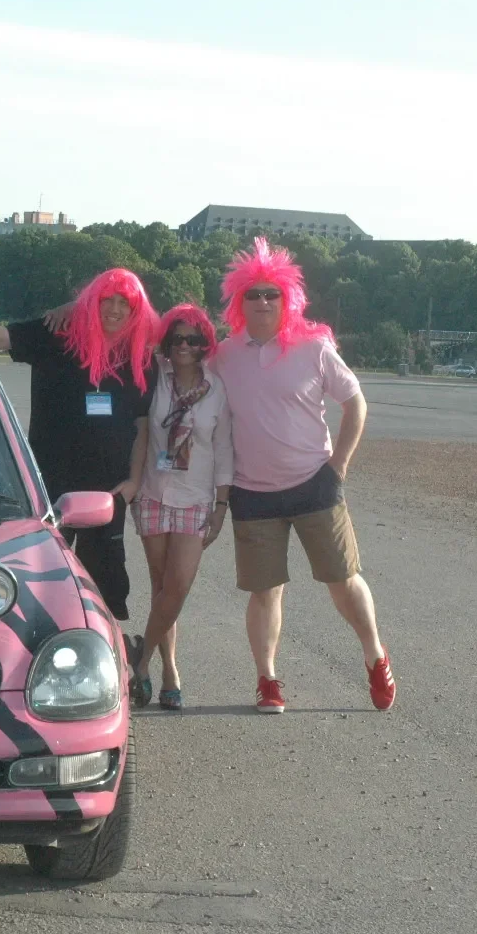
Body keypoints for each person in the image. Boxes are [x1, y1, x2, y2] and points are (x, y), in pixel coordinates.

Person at [211, 237, 395, 713]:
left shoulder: (314, 348)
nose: (264, 301)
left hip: (315, 483)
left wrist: (340, 467)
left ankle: (375, 655)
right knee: (264, 591)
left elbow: (354, 403)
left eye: (272, 292)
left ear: (288, 297)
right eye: (253, 293)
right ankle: (267, 680)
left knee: (343, 579)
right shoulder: (225, 354)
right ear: (239, 301)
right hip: (253, 493)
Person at [0, 268, 158, 621]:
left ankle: (107, 657)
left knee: (105, 588)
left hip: (106, 491)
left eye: (125, 304)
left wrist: (134, 481)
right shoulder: (57, 336)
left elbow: (142, 424)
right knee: (36, 578)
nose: (116, 310)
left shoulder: (140, 360)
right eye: (107, 301)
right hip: (47, 484)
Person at [125, 303, 232, 711]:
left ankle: (142, 657)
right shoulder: (153, 379)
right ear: (166, 343)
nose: (184, 346)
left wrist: (222, 504)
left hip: (196, 496)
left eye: (193, 339)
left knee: (179, 587)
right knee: (160, 588)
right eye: (177, 339)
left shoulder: (217, 388)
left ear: (205, 343)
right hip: (154, 492)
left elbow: (223, 449)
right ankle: (168, 671)